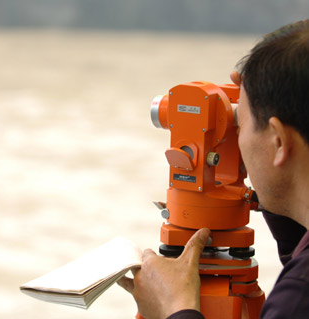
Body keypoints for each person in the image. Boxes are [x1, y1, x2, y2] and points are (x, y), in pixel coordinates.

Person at [118, 19, 309, 319]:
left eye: (239, 123)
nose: (235, 136)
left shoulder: (298, 295)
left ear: (279, 141)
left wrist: (175, 309)